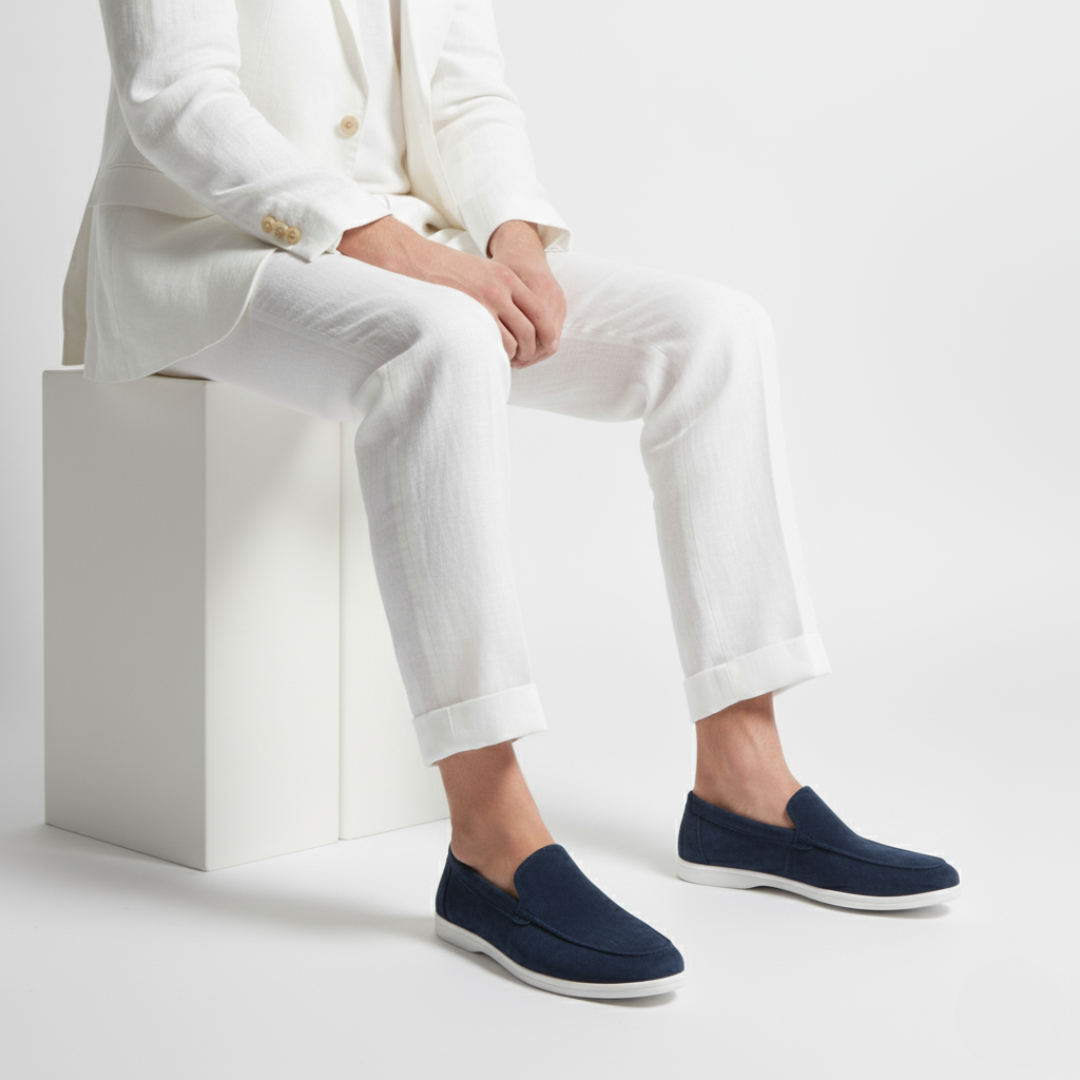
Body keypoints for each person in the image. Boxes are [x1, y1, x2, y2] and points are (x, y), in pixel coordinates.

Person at [61, 0, 960, 1000]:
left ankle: (744, 786)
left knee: (717, 334)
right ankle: (489, 839)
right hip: (210, 247)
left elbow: (467, 89)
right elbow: (175, 96)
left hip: (425, 242)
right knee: (443, 344)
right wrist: (412, 259)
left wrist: (514, 243)